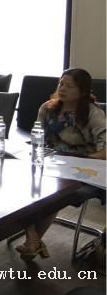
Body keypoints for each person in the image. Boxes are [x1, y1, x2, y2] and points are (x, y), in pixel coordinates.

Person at [17, 68, 106, 261]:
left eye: (69, 86)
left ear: (83, 91)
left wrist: (81, 161)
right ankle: (33, 237)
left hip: (82, 167)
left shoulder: (93, 113)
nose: (63, 89)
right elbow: (37, 139)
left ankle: (33, 238)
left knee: (53, 190)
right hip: (51, 163)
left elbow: (105, 151)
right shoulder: (47, 108)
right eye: (61, 84)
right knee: (17, 181)